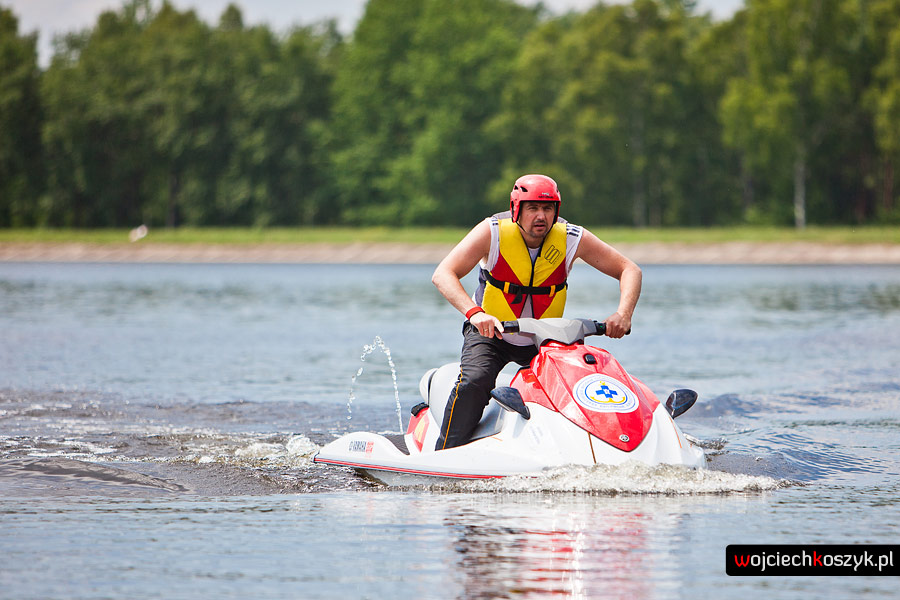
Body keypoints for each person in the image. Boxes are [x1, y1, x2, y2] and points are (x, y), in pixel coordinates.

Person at [431, 173, 642, 450]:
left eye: (548, 208)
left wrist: (623, 314)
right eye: (532, 208)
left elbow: (629, 270)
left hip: (545, 339)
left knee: (579, 381)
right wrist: (476, 313)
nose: (541, 216)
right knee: (475, 381)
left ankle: (597, 446)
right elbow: (443, 274)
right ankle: (446, 451)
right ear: (516, 208)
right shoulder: (492, 232)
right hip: (491, 332)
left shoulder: (572, 238)